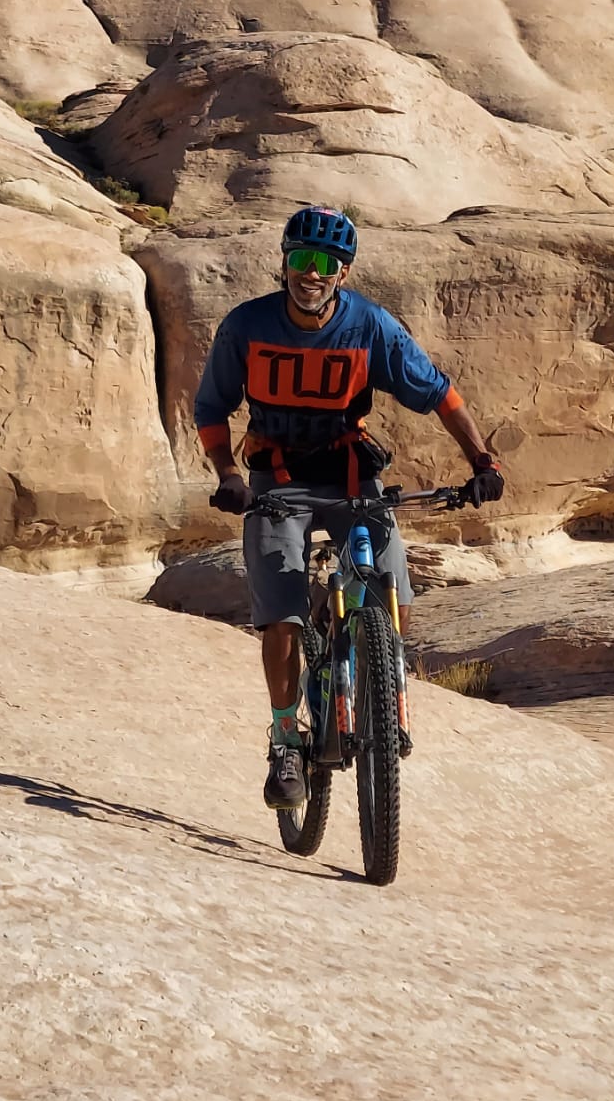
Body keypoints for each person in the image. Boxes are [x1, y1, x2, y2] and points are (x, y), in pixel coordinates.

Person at [193, 206, 504, 810]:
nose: (312, 273)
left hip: (353, 478)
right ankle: (287, 741)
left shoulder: (370, 327)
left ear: (343, 271)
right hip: (276, 483)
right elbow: (212, 408)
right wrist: (228, 474)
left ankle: (386, 698)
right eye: (301, 259)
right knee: (280, 616)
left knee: (394, 595)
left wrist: (483, 461)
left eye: (326, 263)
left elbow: (439, 393)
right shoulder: (247, 326)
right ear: (283, 262)